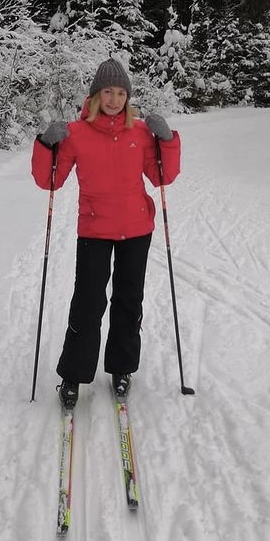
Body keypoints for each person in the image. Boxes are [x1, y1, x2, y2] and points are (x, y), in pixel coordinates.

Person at [31, 58, 181, 409]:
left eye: (120, 93)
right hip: (95, 227)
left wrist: (168, 141)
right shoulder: (76, 133)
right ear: (96, 95)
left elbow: (161, 177)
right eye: (108, 92)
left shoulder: (141, 132)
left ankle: (122, 367)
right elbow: (49, 181)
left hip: (136, 228)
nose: (114, 99)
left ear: (127, 97)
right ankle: (73, 373)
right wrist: (46, 145)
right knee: (88, 301)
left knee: (129, 301)